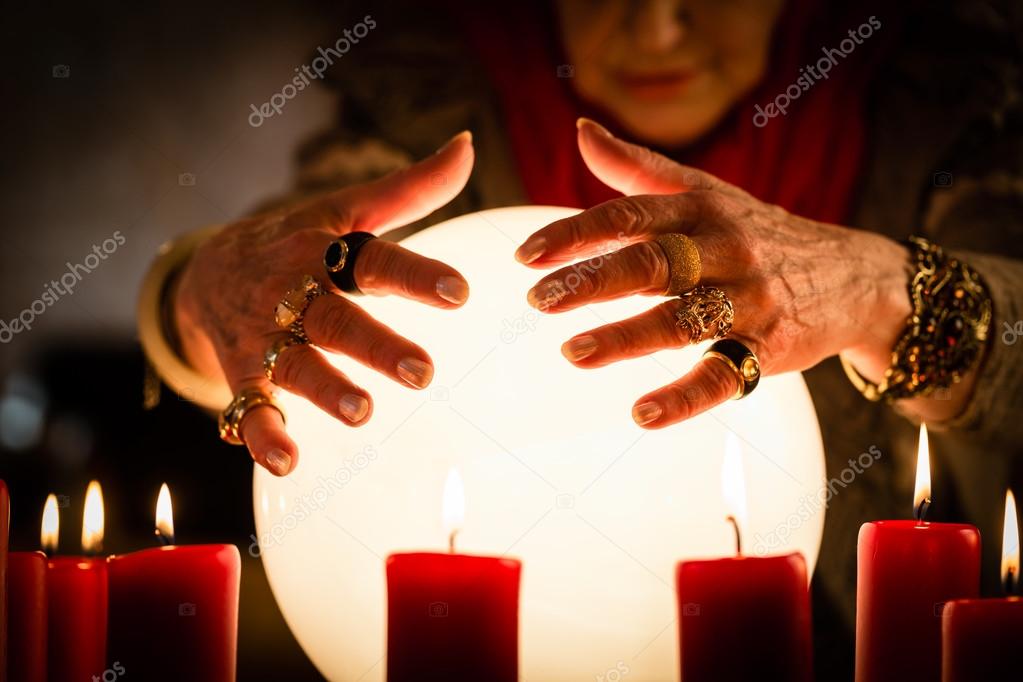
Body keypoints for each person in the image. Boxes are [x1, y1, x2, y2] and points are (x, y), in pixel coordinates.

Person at [137, 0, 1023, 671]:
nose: (657, 31)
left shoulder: (959, 100)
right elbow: (288, 282)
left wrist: (891, 294)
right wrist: (193, 295)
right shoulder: (432, 101)